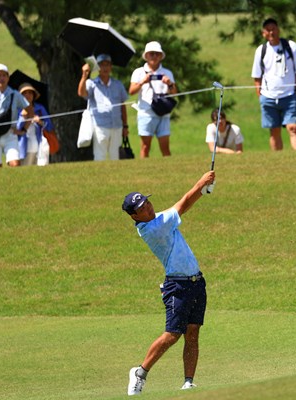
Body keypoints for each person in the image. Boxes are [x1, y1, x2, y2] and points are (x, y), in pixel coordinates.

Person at [123, 170, 216, 396]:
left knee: (192, 333)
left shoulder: (158, 219)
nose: (148, 208)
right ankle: (140, 372)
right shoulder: (152, 229)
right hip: (178, 286)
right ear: (135, 217)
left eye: (147, 202)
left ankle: (188, 382)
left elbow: (180, 205)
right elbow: (183, 204)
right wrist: (200, 184)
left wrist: (203, 189)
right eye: (142, 208)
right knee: (172, 334)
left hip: (196, 282)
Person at [251, 18, 296, 151]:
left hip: (289, 95)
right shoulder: (261, 50)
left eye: (273, 28)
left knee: (293, 128)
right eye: (268, 30)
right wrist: (260, 95)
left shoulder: (291, 46)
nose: (271, 32)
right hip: (268, 97)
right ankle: (278, 159)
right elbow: (257, 76)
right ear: (263, 33)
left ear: (278, 29)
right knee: (274, 131)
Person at [129, 41, 178, 158]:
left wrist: (169, 83)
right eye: (151, 54)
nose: (154, 56)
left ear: (161, 56)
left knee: (165, 147)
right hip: (146, 112)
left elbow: (174, 93)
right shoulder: (138, 72)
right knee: (145, 146)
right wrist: (142, 82)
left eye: (157, 54)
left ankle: (169, 170)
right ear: (146, 56)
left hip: (163, 113)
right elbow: (131, 91)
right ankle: (144, 171)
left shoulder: (167, 73)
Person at [78, 53, 129, 161]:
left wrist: (125, 125)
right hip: (100, 125)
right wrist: (84, 75)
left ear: (111, 67)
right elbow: (81, 93)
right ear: (98, 67)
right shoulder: (91, 83)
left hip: (117, 125)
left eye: (107, 65)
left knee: (115, 156)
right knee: (99, 155)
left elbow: (122, 106)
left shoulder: (118, 84)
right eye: (102, 65)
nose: (105, 68)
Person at [16, 83, 54, 166]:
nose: (28, 95)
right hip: (23, 147)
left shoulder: (40, 108)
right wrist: (22, 118)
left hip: (39, 146)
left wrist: (40, 122)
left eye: (30, 93)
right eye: (25, 93)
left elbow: (50, 126)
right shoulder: (17, 110)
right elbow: (15, 130)